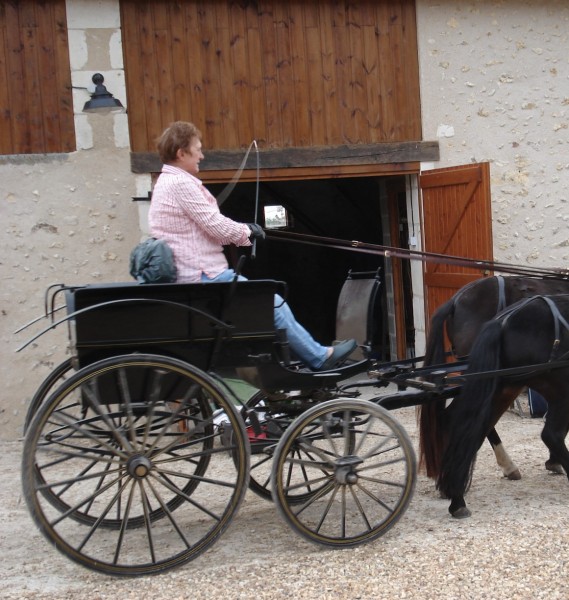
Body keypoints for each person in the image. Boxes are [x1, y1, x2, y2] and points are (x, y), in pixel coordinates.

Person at [148, 121, 356, 371]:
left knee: (268, 304)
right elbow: (214, 225)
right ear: (182, 153)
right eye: (198, 149)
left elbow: (209, 225)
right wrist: (247, 231)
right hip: (203, 275)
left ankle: (297, 361)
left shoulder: (167, 182)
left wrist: (245, 230)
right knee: (271, 304)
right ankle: (318, 357)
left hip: (196, 274)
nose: (202, 155)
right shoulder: (180, 183)